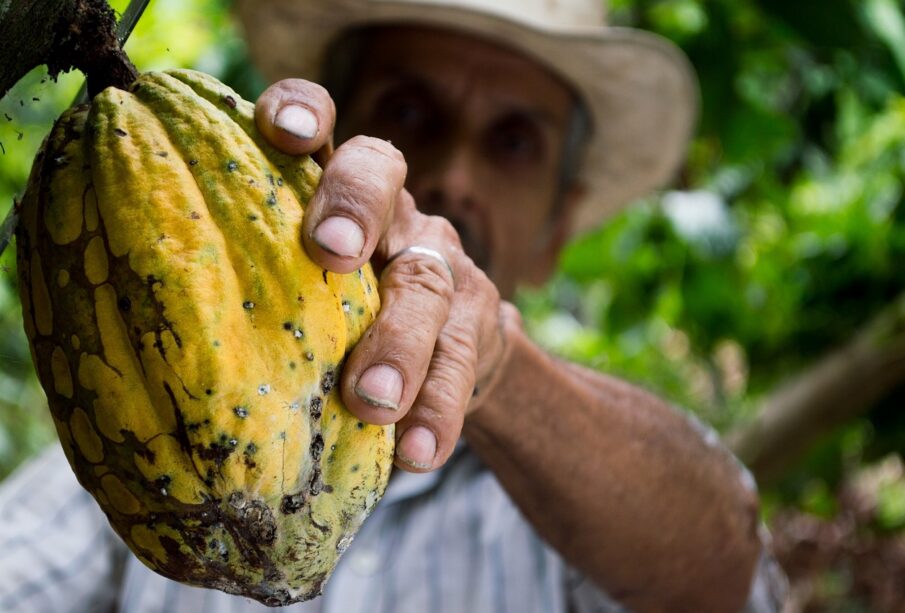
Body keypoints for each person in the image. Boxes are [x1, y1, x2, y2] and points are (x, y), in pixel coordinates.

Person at [0, 0, 788, 611]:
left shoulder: (584, 513)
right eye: (410, 113)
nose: (452, 176)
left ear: (558, 227)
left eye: (513, 141)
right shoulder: (131, 435)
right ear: (316, 141)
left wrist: (494, 367)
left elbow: (723, 569)